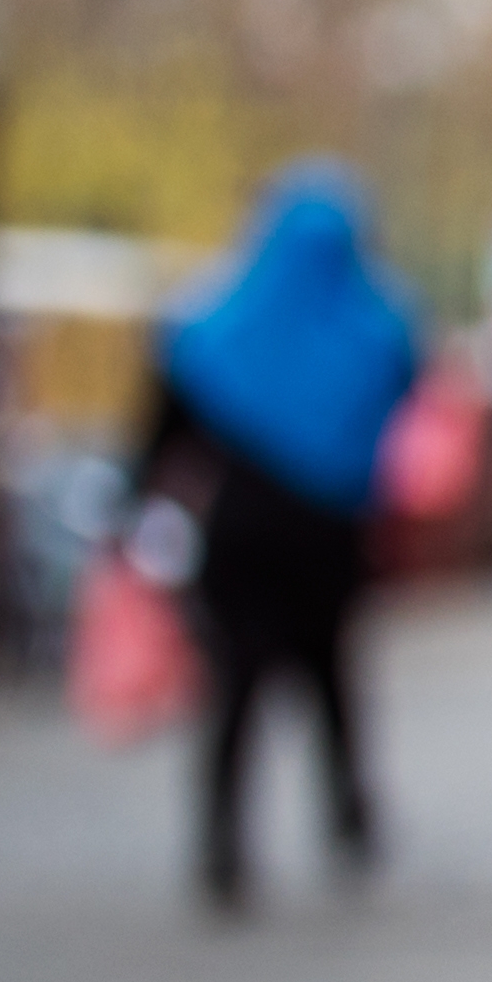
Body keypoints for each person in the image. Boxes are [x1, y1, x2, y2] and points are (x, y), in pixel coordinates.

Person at [147, 164, 423, 911]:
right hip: (332, 534)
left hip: (240, 535)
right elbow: (405, 389)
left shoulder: (217, 326)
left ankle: (222, 839)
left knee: (236, 687)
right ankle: (348, 816)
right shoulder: (377, 326)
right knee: (333, 679)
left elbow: (167, 431)